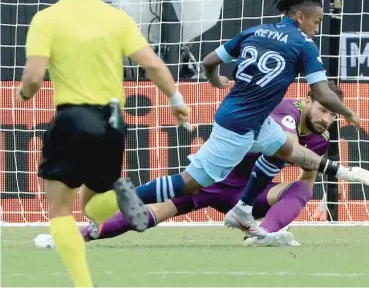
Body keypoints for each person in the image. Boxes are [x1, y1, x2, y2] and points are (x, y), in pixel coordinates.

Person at [126, 0, 369, 237]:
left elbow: (209, 61)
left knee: (286, 149)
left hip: (255, 120)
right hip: (240, 125)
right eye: (317, 22)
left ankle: (244, 210)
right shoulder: (304, 45)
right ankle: (126, 197)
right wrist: (348, 113)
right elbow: (322, 92)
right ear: (301, 17)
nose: (317, 28)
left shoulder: (254, 32)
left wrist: (216, 80)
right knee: (189, 183)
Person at [17, 0, 190, 287]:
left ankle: (84, 284)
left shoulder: (46, 19)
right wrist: (175, 99)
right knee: (94, 203)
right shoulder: (116, 17)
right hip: (112, 121)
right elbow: (153, 64)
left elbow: (34, 78)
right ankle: (123, 196)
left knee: (61, 212)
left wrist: (24, 93)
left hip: (72, 118)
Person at [33, 84, 347, 248]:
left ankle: (265, 232)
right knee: (149, 214)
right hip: (210, 181)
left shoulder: (321, 140)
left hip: (249, 196)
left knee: (300, 188)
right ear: (308, 100)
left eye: (333, 115)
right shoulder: (283, 108)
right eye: (323, 109)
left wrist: (283, 213)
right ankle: (77, 235)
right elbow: (288, 144)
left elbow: (306, 179)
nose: (326, 118)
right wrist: (340, 170)